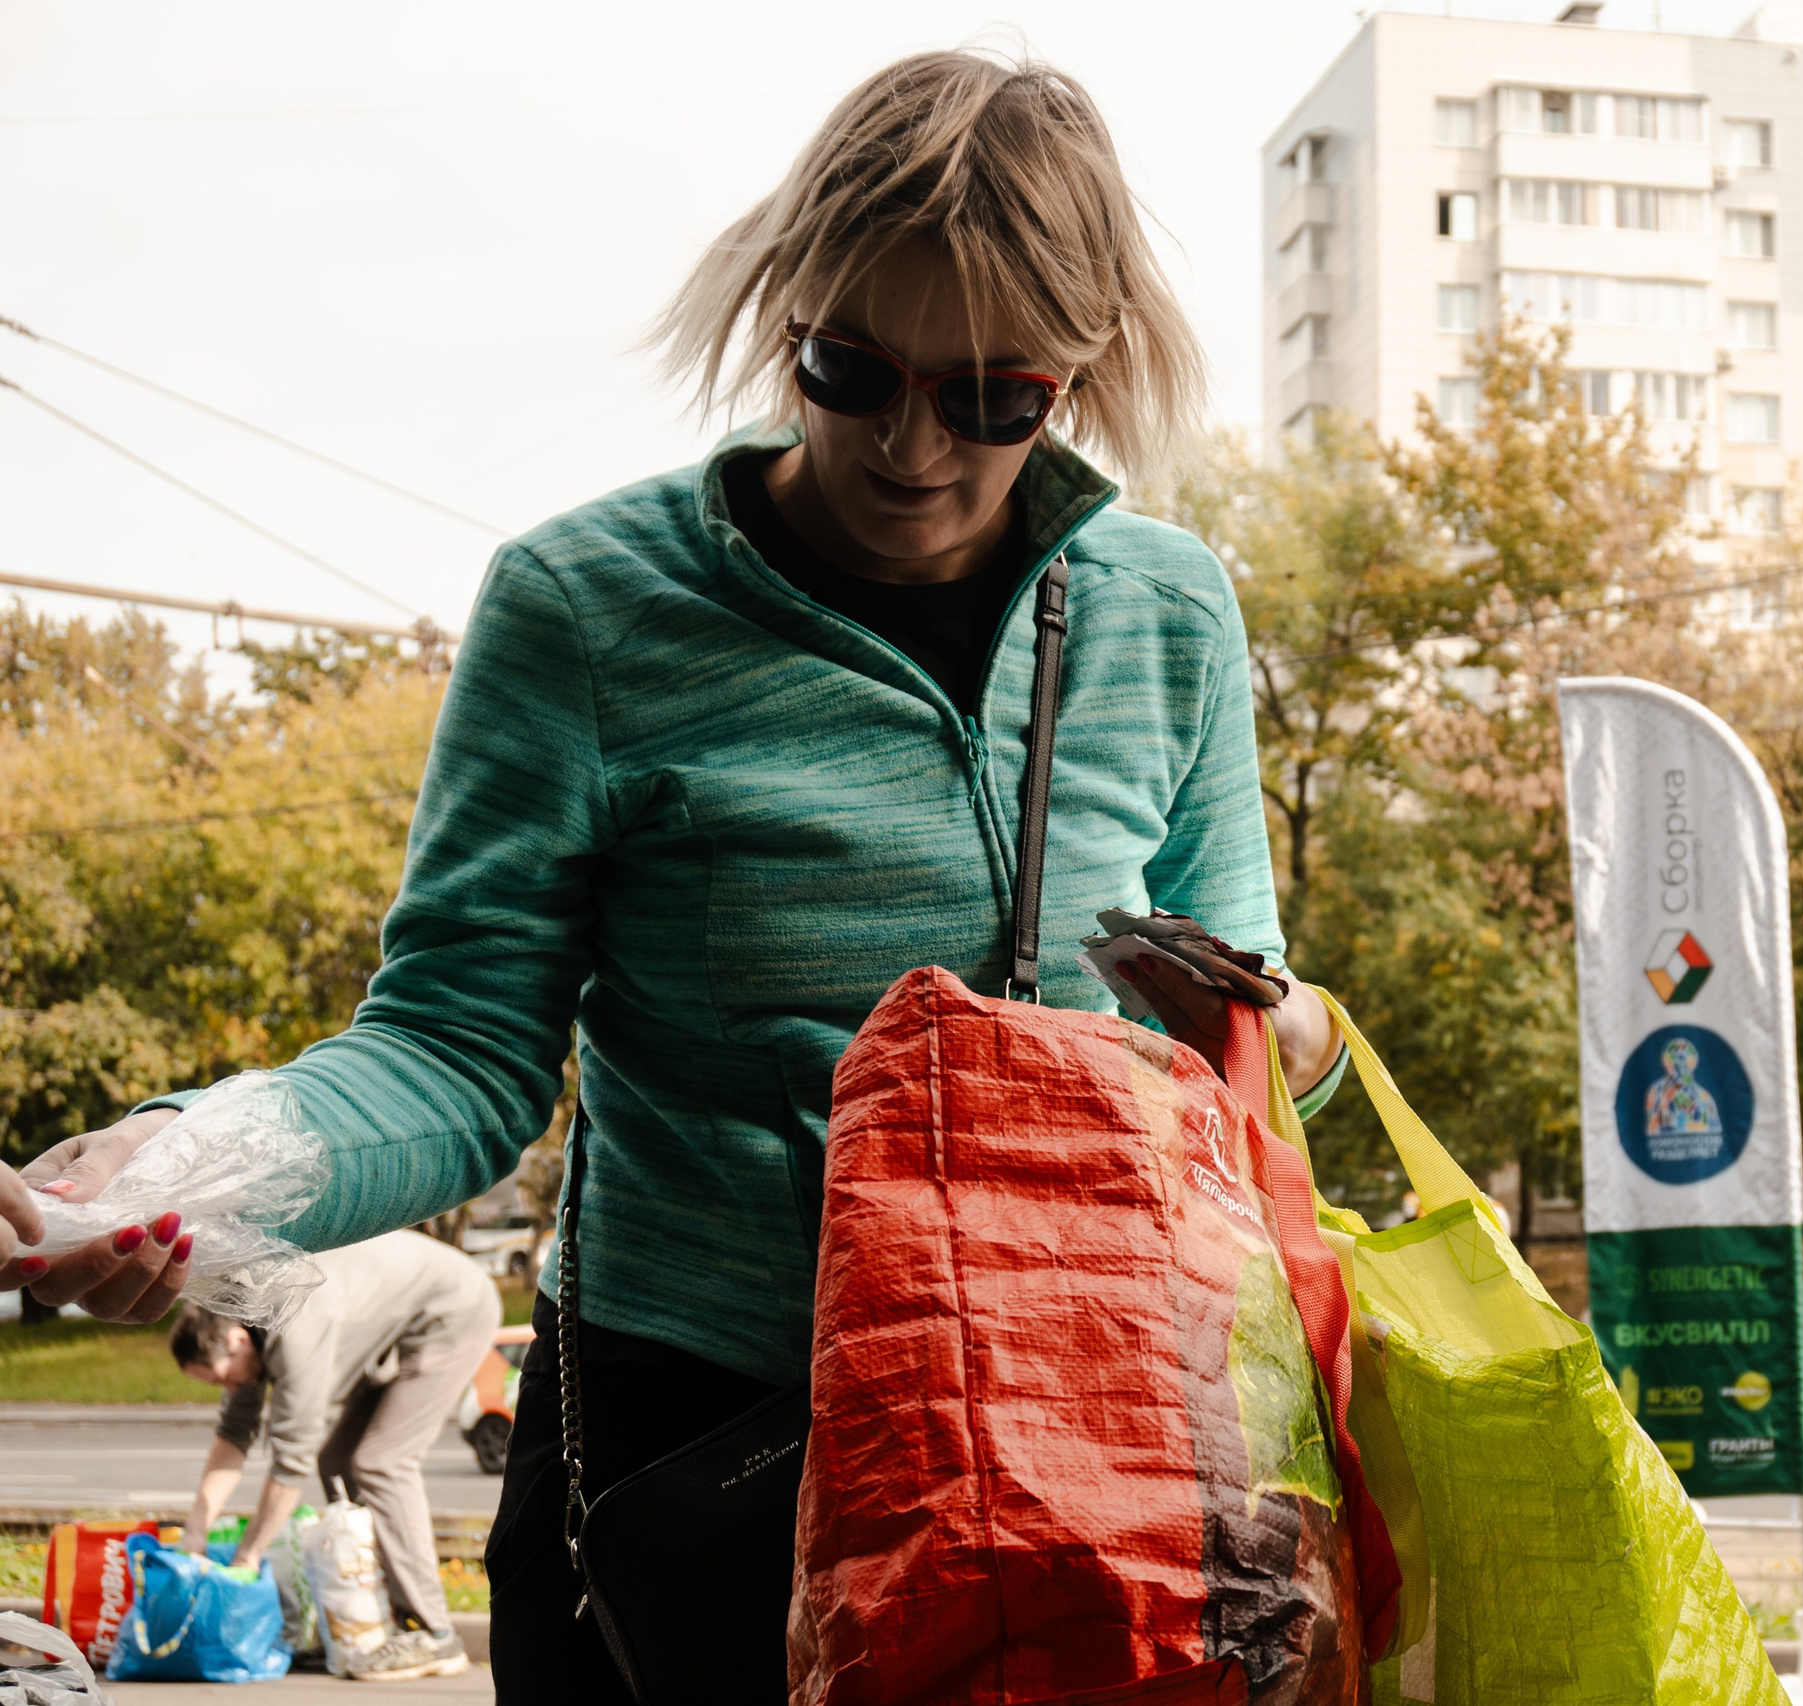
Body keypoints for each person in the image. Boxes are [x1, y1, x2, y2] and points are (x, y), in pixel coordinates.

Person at [0, 49, 1346, 1702]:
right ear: (784, 310)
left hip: (1082, 1445)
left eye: (994, 397)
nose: (914, 445)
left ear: (1086, 364)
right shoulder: (584, 606)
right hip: (699, 1454)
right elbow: (455, 1048)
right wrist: (196, 1165)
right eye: (852, 369)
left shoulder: (1169, 608)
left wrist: (1290, 1036)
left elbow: (1244, 1035)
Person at [170, 1229, 500, 1682]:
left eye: (223, 1379)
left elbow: (291, 1465)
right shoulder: (238, 1323)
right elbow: (232, 1435)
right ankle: (374, 1616)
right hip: (401, 1315)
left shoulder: (294, 1333)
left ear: (236, 1341)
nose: (228, 1388)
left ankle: (433, 1632)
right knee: (338, 1462)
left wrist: (247, 1558)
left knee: (382, 1462)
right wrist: (194, 1534)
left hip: (454, 1308)